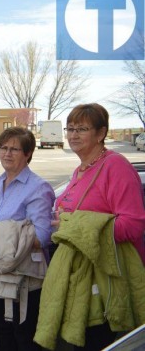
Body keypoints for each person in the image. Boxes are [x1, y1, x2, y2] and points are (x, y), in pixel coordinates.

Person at [34, 103, 145, 351]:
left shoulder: (115, 166)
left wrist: (74, 225)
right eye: (70, 128)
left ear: (101, 133)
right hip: (78, 278)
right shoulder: (80, 170)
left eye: (82, 129)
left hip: (104, 280)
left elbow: (133, 225)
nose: (73, 135)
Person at [0, 127, 55, 351]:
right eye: (3, 148)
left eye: (14, 149)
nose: (7, 154)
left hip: (23, 281)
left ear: (28, 153)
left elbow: (42, 237)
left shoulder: (38, 188)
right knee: (2, 336)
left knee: (24, 340)